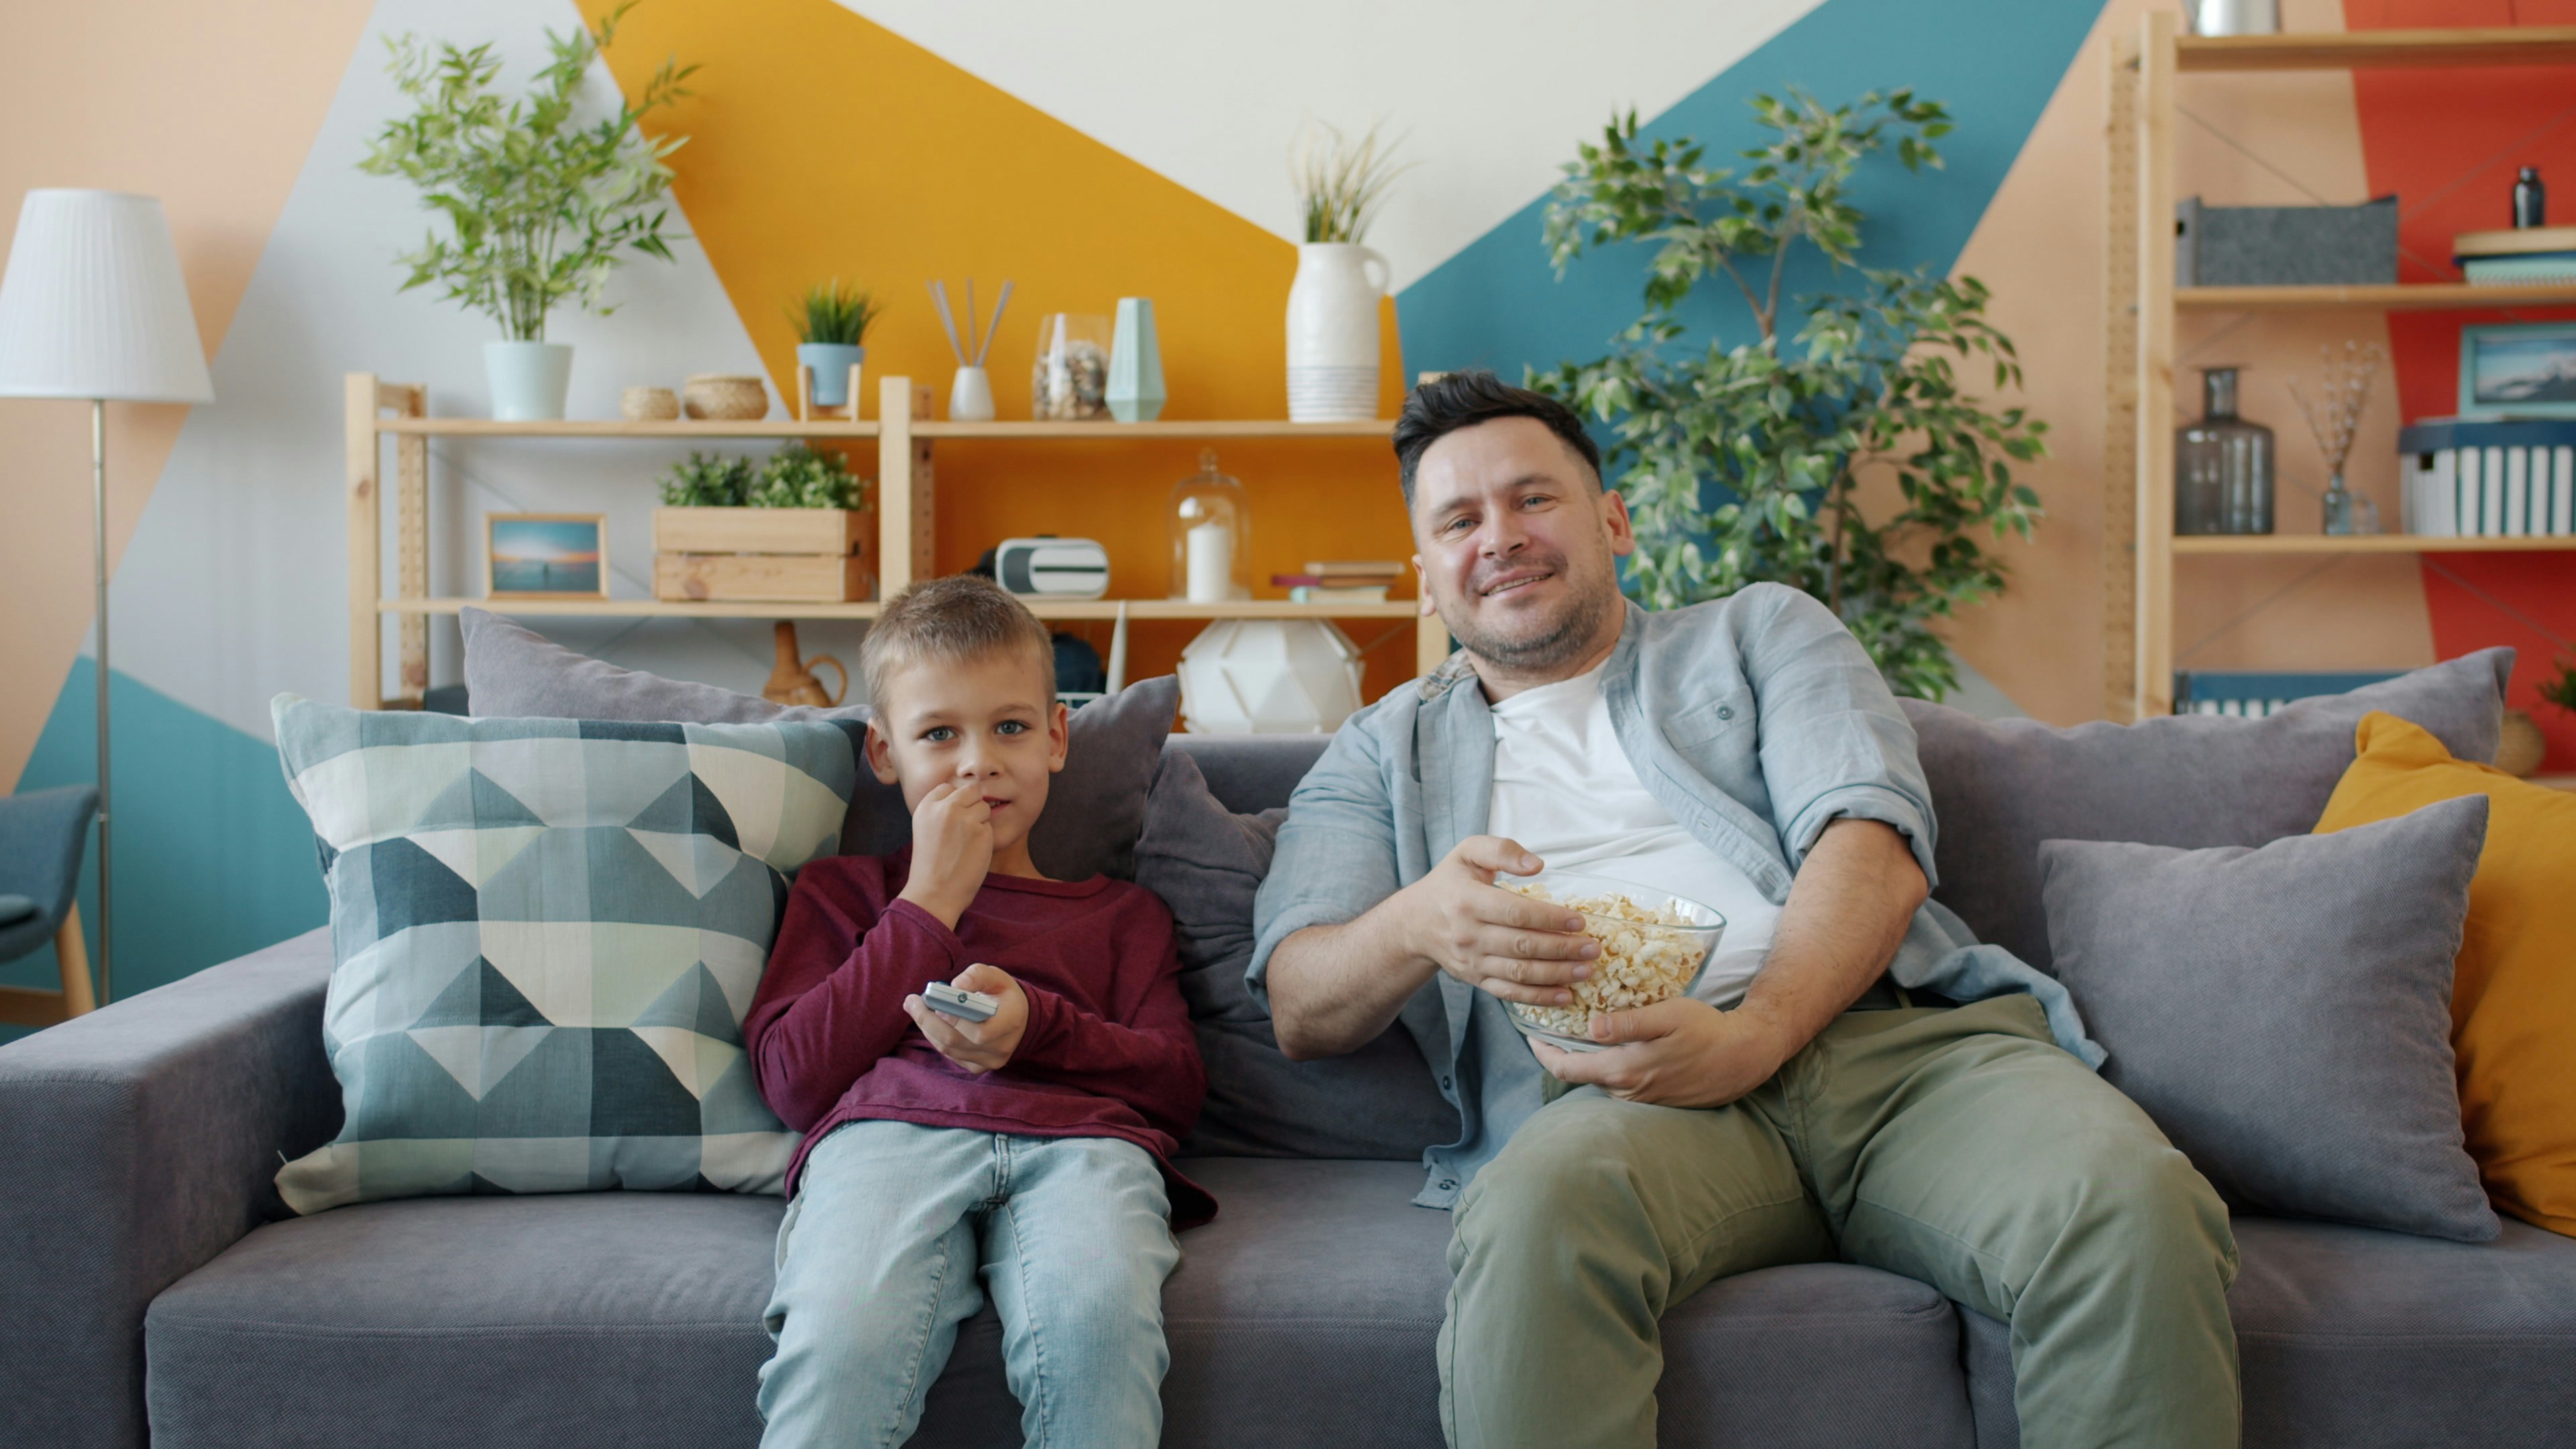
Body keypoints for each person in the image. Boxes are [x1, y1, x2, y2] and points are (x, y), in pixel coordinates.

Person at [1252, 372, 2240, 1449]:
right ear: (1428, 575)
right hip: (1621, 1107)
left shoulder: (1761, 632)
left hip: (1897, 1055)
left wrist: (1753, 1034)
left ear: (1612, 520)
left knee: (2131, 1204)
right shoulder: (1376, 750)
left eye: (1535, 499)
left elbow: (1873, 847)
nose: (1501, 537)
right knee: (1534, 1215)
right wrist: (1415, 924)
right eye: (1459, 520)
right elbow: (1302, 1003)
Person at [744, 574, 1209, 1449]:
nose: (977, 762)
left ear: (1056, 737)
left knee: (1099, 1332)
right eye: (938, 735)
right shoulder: (844, 892)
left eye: (1009, 728)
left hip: (1084, 1149)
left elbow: (1178, 1087)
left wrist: (1039, 1025)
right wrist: (925, 905)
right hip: (887, 1138)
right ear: (884, 755)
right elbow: (793, 1079)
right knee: (841, 1341)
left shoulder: (1124, 916)